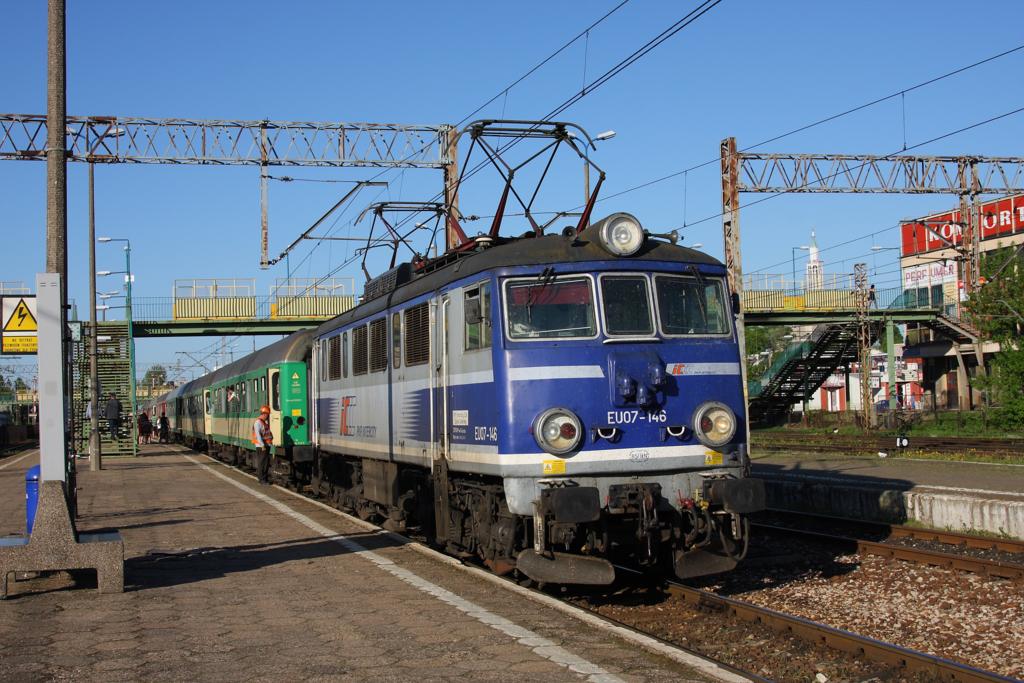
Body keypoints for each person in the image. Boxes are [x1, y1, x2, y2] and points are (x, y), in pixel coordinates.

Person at [252, 405, 274, 485]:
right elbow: (258, 435)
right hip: (261, 446)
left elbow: (267, 433)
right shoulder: (258, 423)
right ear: (264, 414)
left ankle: (264, 479)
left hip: (266, 445)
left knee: (265, 463)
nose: (267, 417)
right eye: (267, 415)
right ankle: (262, 480)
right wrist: (262, 445)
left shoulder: (263, 422)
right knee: (262, 463)